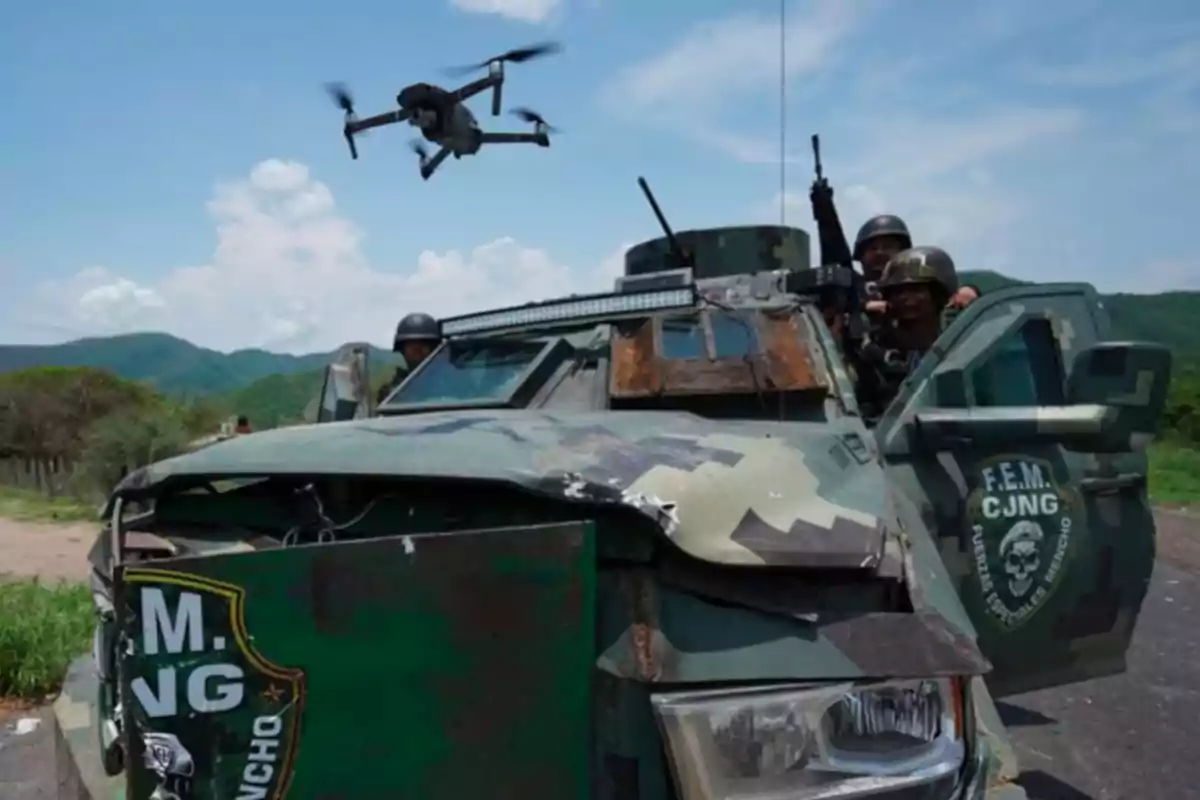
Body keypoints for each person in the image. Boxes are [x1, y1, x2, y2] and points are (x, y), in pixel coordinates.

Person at [855, 245, 959, 421]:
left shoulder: (960, 348)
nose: (905, 297)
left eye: (916, 289)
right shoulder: (875, 355)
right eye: (897, 291)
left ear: (938, 295)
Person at [376, 312, 443, 405]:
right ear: (402, 352)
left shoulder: (447, 380)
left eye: (423, 349)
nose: (419, 355)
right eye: (413, 350)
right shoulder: (395, 390)